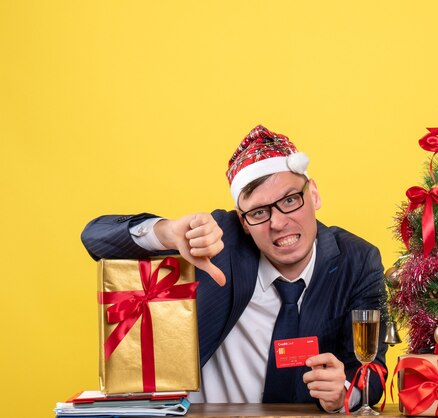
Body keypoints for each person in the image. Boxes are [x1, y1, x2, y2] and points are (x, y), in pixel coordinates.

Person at [81, 125, 387, 411]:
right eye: (259, 212)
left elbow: (373, 371)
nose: (278, 223)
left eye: (290, 199)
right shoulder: (219, 240)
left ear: (314, 194)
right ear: (243, 221)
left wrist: (346, 391)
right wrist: (168, 231)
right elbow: (95, 237)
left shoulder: (357, 261)